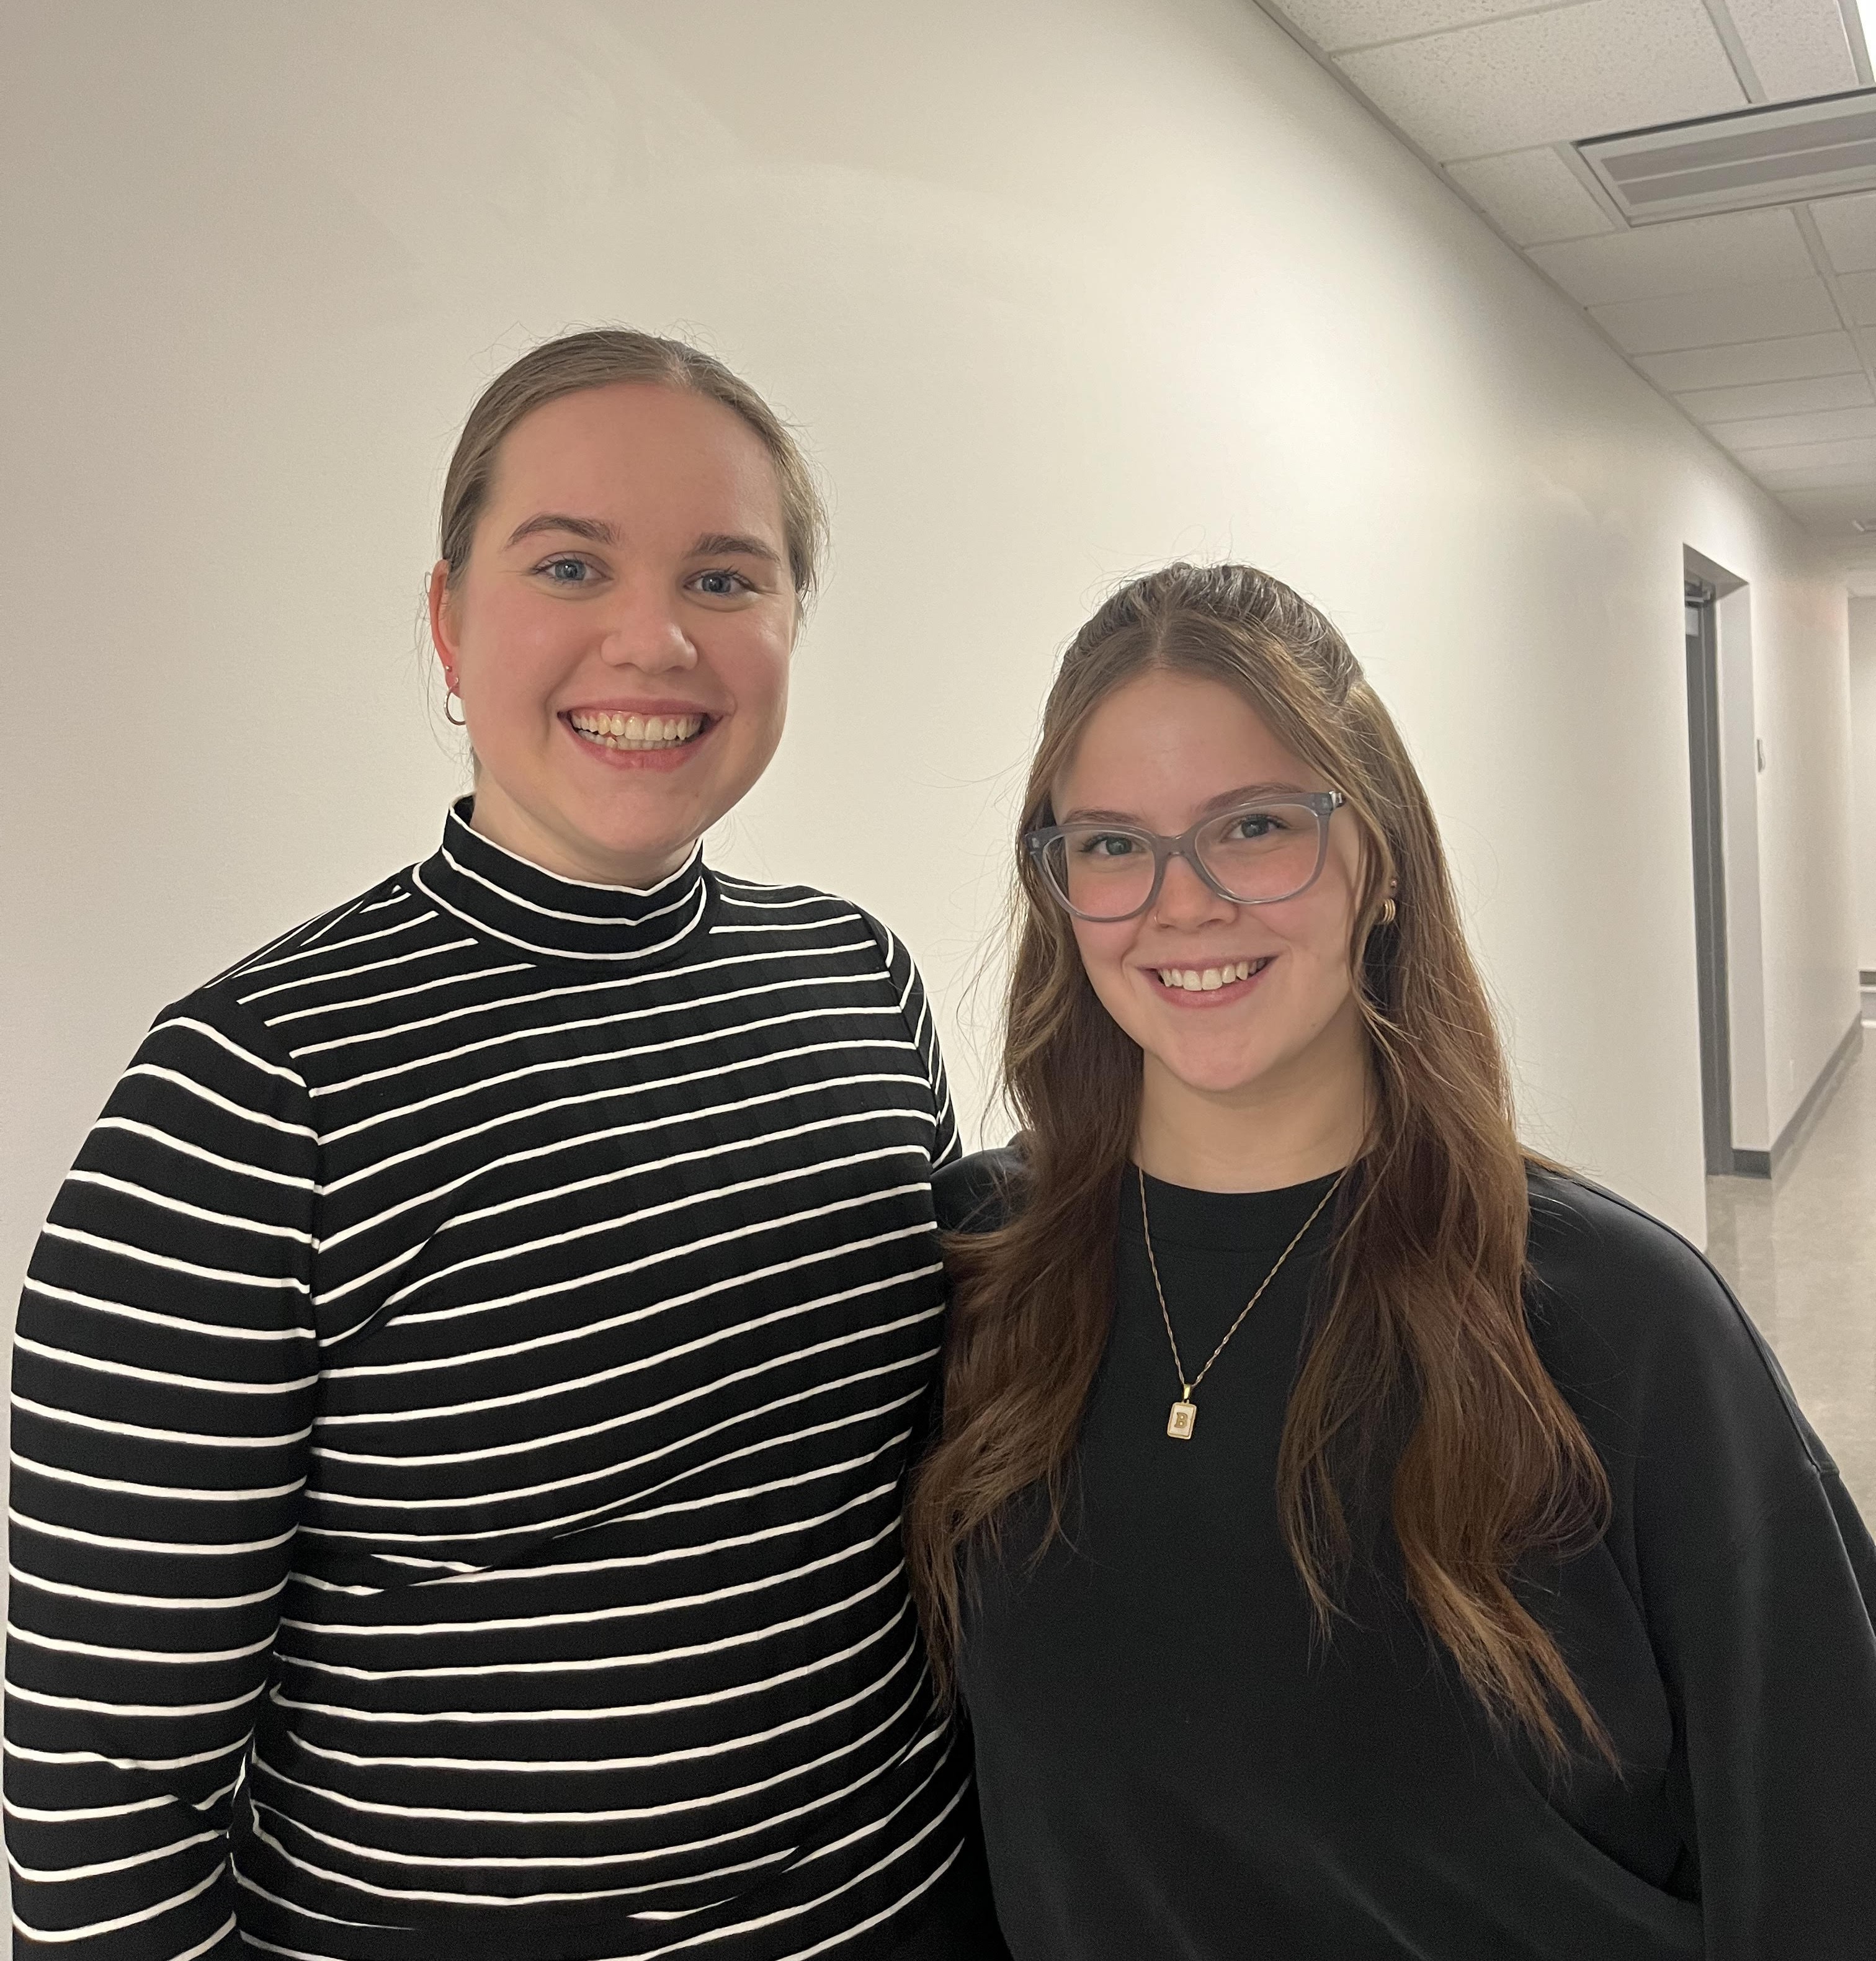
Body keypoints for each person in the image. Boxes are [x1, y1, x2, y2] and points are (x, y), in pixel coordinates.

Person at [6, 331, 1006, 1961]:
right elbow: (105, 1785)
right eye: (569, 563)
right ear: (449, 625)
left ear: (790, 628)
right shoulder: (250, 1089)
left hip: (915, 1912)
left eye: (728, 577)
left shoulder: (857, 981)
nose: (657, 636)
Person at [909, 561, 1876, 1960]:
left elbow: (1825, 1839)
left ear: (1380, 860)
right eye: (1112, 845)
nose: (1181, 903)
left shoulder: (1612, 1317)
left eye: (1253, 827)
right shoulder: (979, 1275)